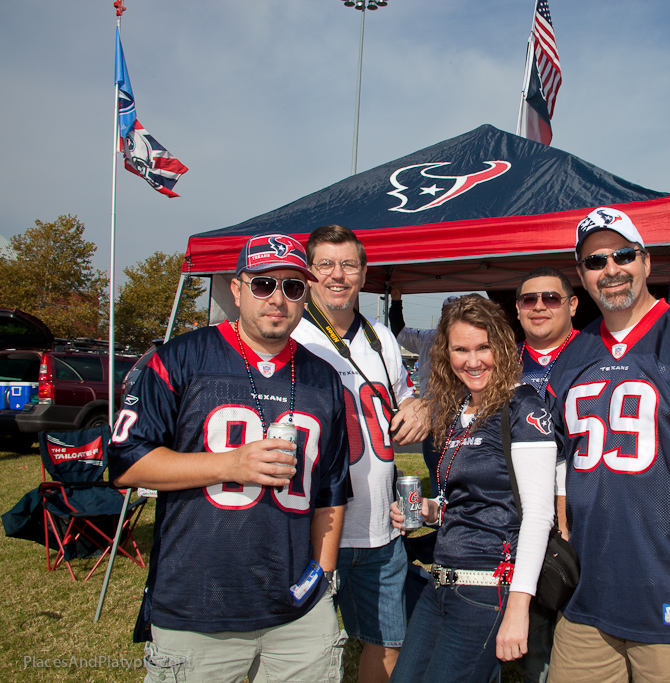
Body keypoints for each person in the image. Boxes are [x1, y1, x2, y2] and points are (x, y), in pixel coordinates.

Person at [109, 233, 349, 683]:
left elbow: (332, 489)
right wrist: (227, 465)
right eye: (263, 284)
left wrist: (325, 574)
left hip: (299, 608)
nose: (278, 299)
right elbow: (126, 464)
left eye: (293, 287)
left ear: (307, 296)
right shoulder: (182, 357)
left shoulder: (324, 378)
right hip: (196, 605)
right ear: (236, 289)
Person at [545, 207, 670, 683]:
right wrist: (561, 516)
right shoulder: (573, 353)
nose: (611, 270)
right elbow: (562, 451)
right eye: (595, 262)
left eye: (622, 255)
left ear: (645, 261)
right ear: (581, 275)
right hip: (588, 588)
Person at [388, 294, 557, 683]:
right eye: (460, 349)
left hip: (488, 589)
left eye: (483, 348)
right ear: (445, 354)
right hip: (441, 581)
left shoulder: (522, 407)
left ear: (501, 346)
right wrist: (432, 510)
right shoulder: (459, 411)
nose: (473, 360)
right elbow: (477, 500)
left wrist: (518, 606)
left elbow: (537, 515)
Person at [291, 224, 429, 683]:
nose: (338, 275)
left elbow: (401, 403)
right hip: (312, 530)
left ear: (364, 273)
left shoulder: (379, 339)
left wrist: (420, 406)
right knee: (303, 655)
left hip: (380, 530)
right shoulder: (292, 335)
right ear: (308, 273)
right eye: (326, 264)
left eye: (348, 264)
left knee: (388, 641)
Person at [513, 266, 579, 683]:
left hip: (583, 504)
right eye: (529, 300)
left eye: (551, 298)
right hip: (520, 506)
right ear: (517, 309)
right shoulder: (502, 361)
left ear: (572, 305)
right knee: (534, 611)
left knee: (579, 613)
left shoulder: (595, 353)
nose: (539, 307)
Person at [388, 288, 461, 492]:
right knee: (436, 471)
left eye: (455, 311)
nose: (451, 316)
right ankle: (440, 516)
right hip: (433, 418)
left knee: (460, 472)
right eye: (448, 311)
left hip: (461, 419)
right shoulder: (427, 337)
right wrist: (396, 300)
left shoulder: (469, 338)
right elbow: (399, 331)